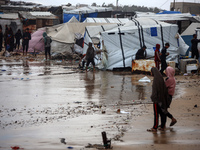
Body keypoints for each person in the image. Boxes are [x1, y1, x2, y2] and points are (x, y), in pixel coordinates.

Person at [147, 67, 170, 132]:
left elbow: (155, 91)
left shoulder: (155, 80)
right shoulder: (160, 78)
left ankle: (155, 127)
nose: (151, 73)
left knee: (156, 114)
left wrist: (153, 98)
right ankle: (162, 126)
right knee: (162, 113)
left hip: (157, 100)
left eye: (151, 72)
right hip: (162, 99)